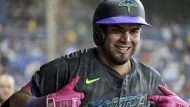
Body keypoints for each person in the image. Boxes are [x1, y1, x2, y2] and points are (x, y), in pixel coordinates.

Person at [2, 0, 190, 107]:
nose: (126, 39)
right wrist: (45, 103)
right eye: (117, 30)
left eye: (134, 31)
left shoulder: (151, 78)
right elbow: (14, 101)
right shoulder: (67, 69)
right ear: (99, 33)